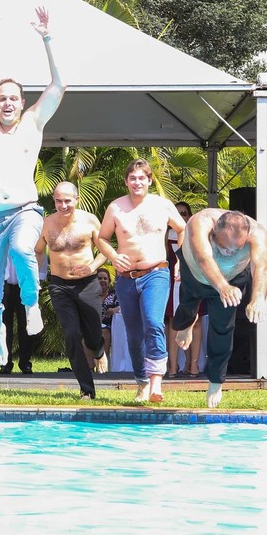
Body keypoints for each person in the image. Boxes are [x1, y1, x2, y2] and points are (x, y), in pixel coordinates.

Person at [0, 0, 65, 366]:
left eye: (14, 99)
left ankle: (31, 302)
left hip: (24, 211)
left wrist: (47, 38)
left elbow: (59, 85)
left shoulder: (33, 124)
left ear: (23, 103)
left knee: (24, 250)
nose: (7, 103)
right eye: (2, 98)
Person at [96, 161, 186, 403]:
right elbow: (102, 238)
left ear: (149, 180)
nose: (137, 182)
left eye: (141, 178)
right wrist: (113, 256)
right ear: (126, 181)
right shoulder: (116, 207)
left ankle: (156, 382)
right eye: (133, 178)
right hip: (126, 278)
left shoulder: (162, 205)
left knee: (153, 322)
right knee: (134, 335)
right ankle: (142, 382)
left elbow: (183, 228)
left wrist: (180, 259)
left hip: (156, 272)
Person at [173, 208, 267, 409]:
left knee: (223, 328)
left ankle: (216, 381)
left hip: (232, 279)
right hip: (196, 276)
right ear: (215, 231)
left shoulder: (257, 233)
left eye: (237, 248)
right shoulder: (200, 223)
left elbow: (261, 267)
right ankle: (186, 324)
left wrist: (258, 298)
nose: (231, 252)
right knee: (187, 305)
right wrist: (222, 286)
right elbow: (204, 259)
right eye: (225, 248)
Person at [36, 181, 109, 399]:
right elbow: (38, 252)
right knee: (71, 334)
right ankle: (87, 388)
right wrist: (36, 277)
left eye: (67, 200)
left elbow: (105, 250)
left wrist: (92, 267)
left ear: (76, 199)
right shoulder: (46, 224)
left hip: (87, 284)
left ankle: (98, 349)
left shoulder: (89, 221)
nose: (63, 205)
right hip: (60, 285)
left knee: (93, 335)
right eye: (58, 201)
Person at [167, 201, 204, 378]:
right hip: (172, 279)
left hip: (194, 277)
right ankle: (173, 365)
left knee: (196, 320)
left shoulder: (197, 233)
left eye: (184, 213)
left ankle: (193, 364)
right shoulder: (165, 234)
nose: (181, 216)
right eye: (177, 213)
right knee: (173, 321)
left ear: (189, 216)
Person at [0, 257, 40, 375]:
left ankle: (25, 362)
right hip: (3, 284)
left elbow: (37, 254)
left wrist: (39, 277)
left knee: (26, 323)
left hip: (25, 285)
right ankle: (5, 363)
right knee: (4, 325)